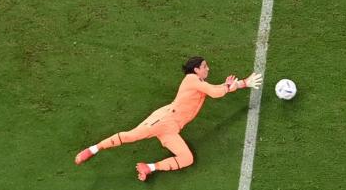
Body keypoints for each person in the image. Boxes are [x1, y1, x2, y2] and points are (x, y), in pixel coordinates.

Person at [74, 56, 262, 181]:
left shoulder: (199, 82)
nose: (208, 69)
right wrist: (238, 85)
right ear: (196, 69)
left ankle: (149, 167)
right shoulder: (191, 80)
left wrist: (242, 83)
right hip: (163, 120)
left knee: (187, 159)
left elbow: (218, 88)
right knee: (130, 136)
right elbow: (216, 92)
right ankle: (92, 149)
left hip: (172, 128)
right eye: (205, 66)